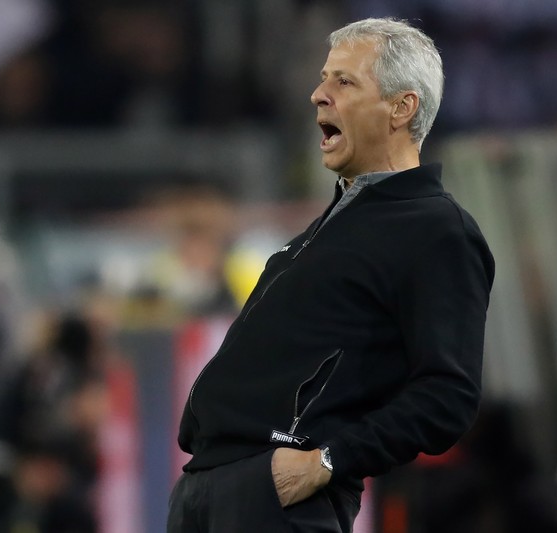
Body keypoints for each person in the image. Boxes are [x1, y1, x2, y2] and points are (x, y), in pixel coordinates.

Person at [168, 17, 495, 533]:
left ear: (401, 107)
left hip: (275, 498)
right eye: (324, 79)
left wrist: (327, 461)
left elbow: (447, 395)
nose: (319, 95)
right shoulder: (334, 225)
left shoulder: (436, 229)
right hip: (212, 489)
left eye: (345, 81)